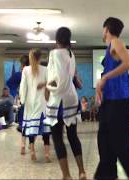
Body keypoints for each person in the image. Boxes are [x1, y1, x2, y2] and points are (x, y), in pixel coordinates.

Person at [94, 17, 129, 179]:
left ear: (106, 29)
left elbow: (128, 63)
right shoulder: (110, 47)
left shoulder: (116, 42)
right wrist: (101, 87)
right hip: (110, 100)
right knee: (104, 139)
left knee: (119, 141)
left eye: (103, 30)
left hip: (118, 100)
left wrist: (104, 78)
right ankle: (107, 174)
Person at [46, 27, 86, 180]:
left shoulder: (55, 53)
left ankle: (66, 175)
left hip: (59, 100)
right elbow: (68, 78)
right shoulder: (71, 53)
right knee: (72, 136)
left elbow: (59, 81)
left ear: (57, 39)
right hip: (72, 97)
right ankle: (81, 171)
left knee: (57, 138)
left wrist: (48, 86)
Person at [19, 48, 51, 162]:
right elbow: (51, 84)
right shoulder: (45, 69)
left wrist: (22, 100)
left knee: (31, 127)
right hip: (42, 102)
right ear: (40, 57)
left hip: (29, 103)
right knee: (45, 130)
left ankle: (32, 151)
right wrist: (44, 85)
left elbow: (23, 87)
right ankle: (47, 154)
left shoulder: (26, 70)